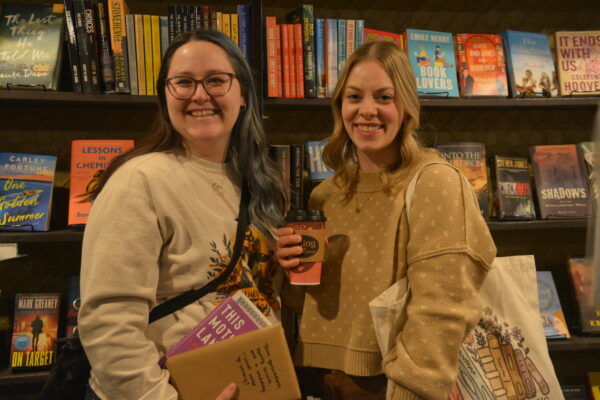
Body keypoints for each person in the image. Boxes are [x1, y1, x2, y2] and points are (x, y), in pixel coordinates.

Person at [277, 41, 496, 399]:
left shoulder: (434, 181)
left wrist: (412, 391)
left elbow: (443, 309)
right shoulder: (326, 196)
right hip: (314, 379)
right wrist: (286, 270)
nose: (367, 111)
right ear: (340, 106)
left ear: (407, 106)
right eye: (354, 97)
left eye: (383, 97)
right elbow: (312, 304)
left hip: (386, 385)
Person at [78, 30, 287, 400]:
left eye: (216, 80)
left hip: (255, 383)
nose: (200, 95)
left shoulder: (256, 179)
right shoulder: (140, 181)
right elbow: (109, 322)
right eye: (184, 82)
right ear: (165, 96)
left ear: (243, 96)